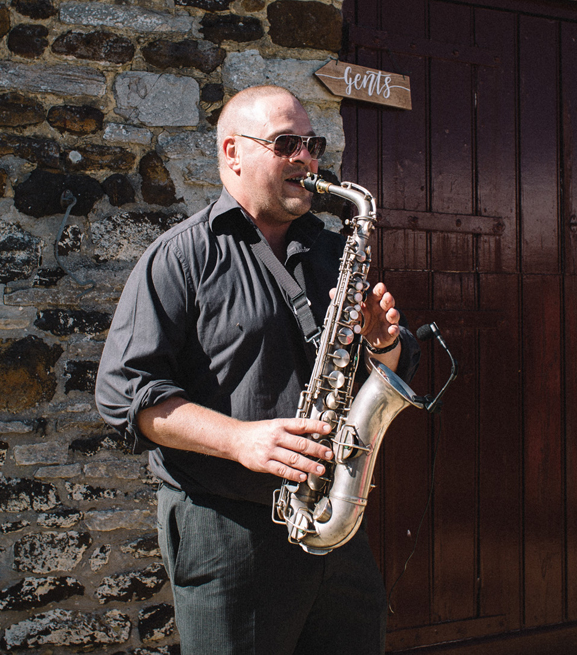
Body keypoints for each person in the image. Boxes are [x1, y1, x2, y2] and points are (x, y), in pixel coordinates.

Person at [95, 84, 420, 654]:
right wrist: (242, 440)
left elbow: (388, 369)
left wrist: (383, 345)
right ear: (232, 153)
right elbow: (126, 395)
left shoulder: (330, 249)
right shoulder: (181, 256)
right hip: (227, 533)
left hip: (332, 520)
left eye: (312, 144)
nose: (306, 158)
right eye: (286, 143)